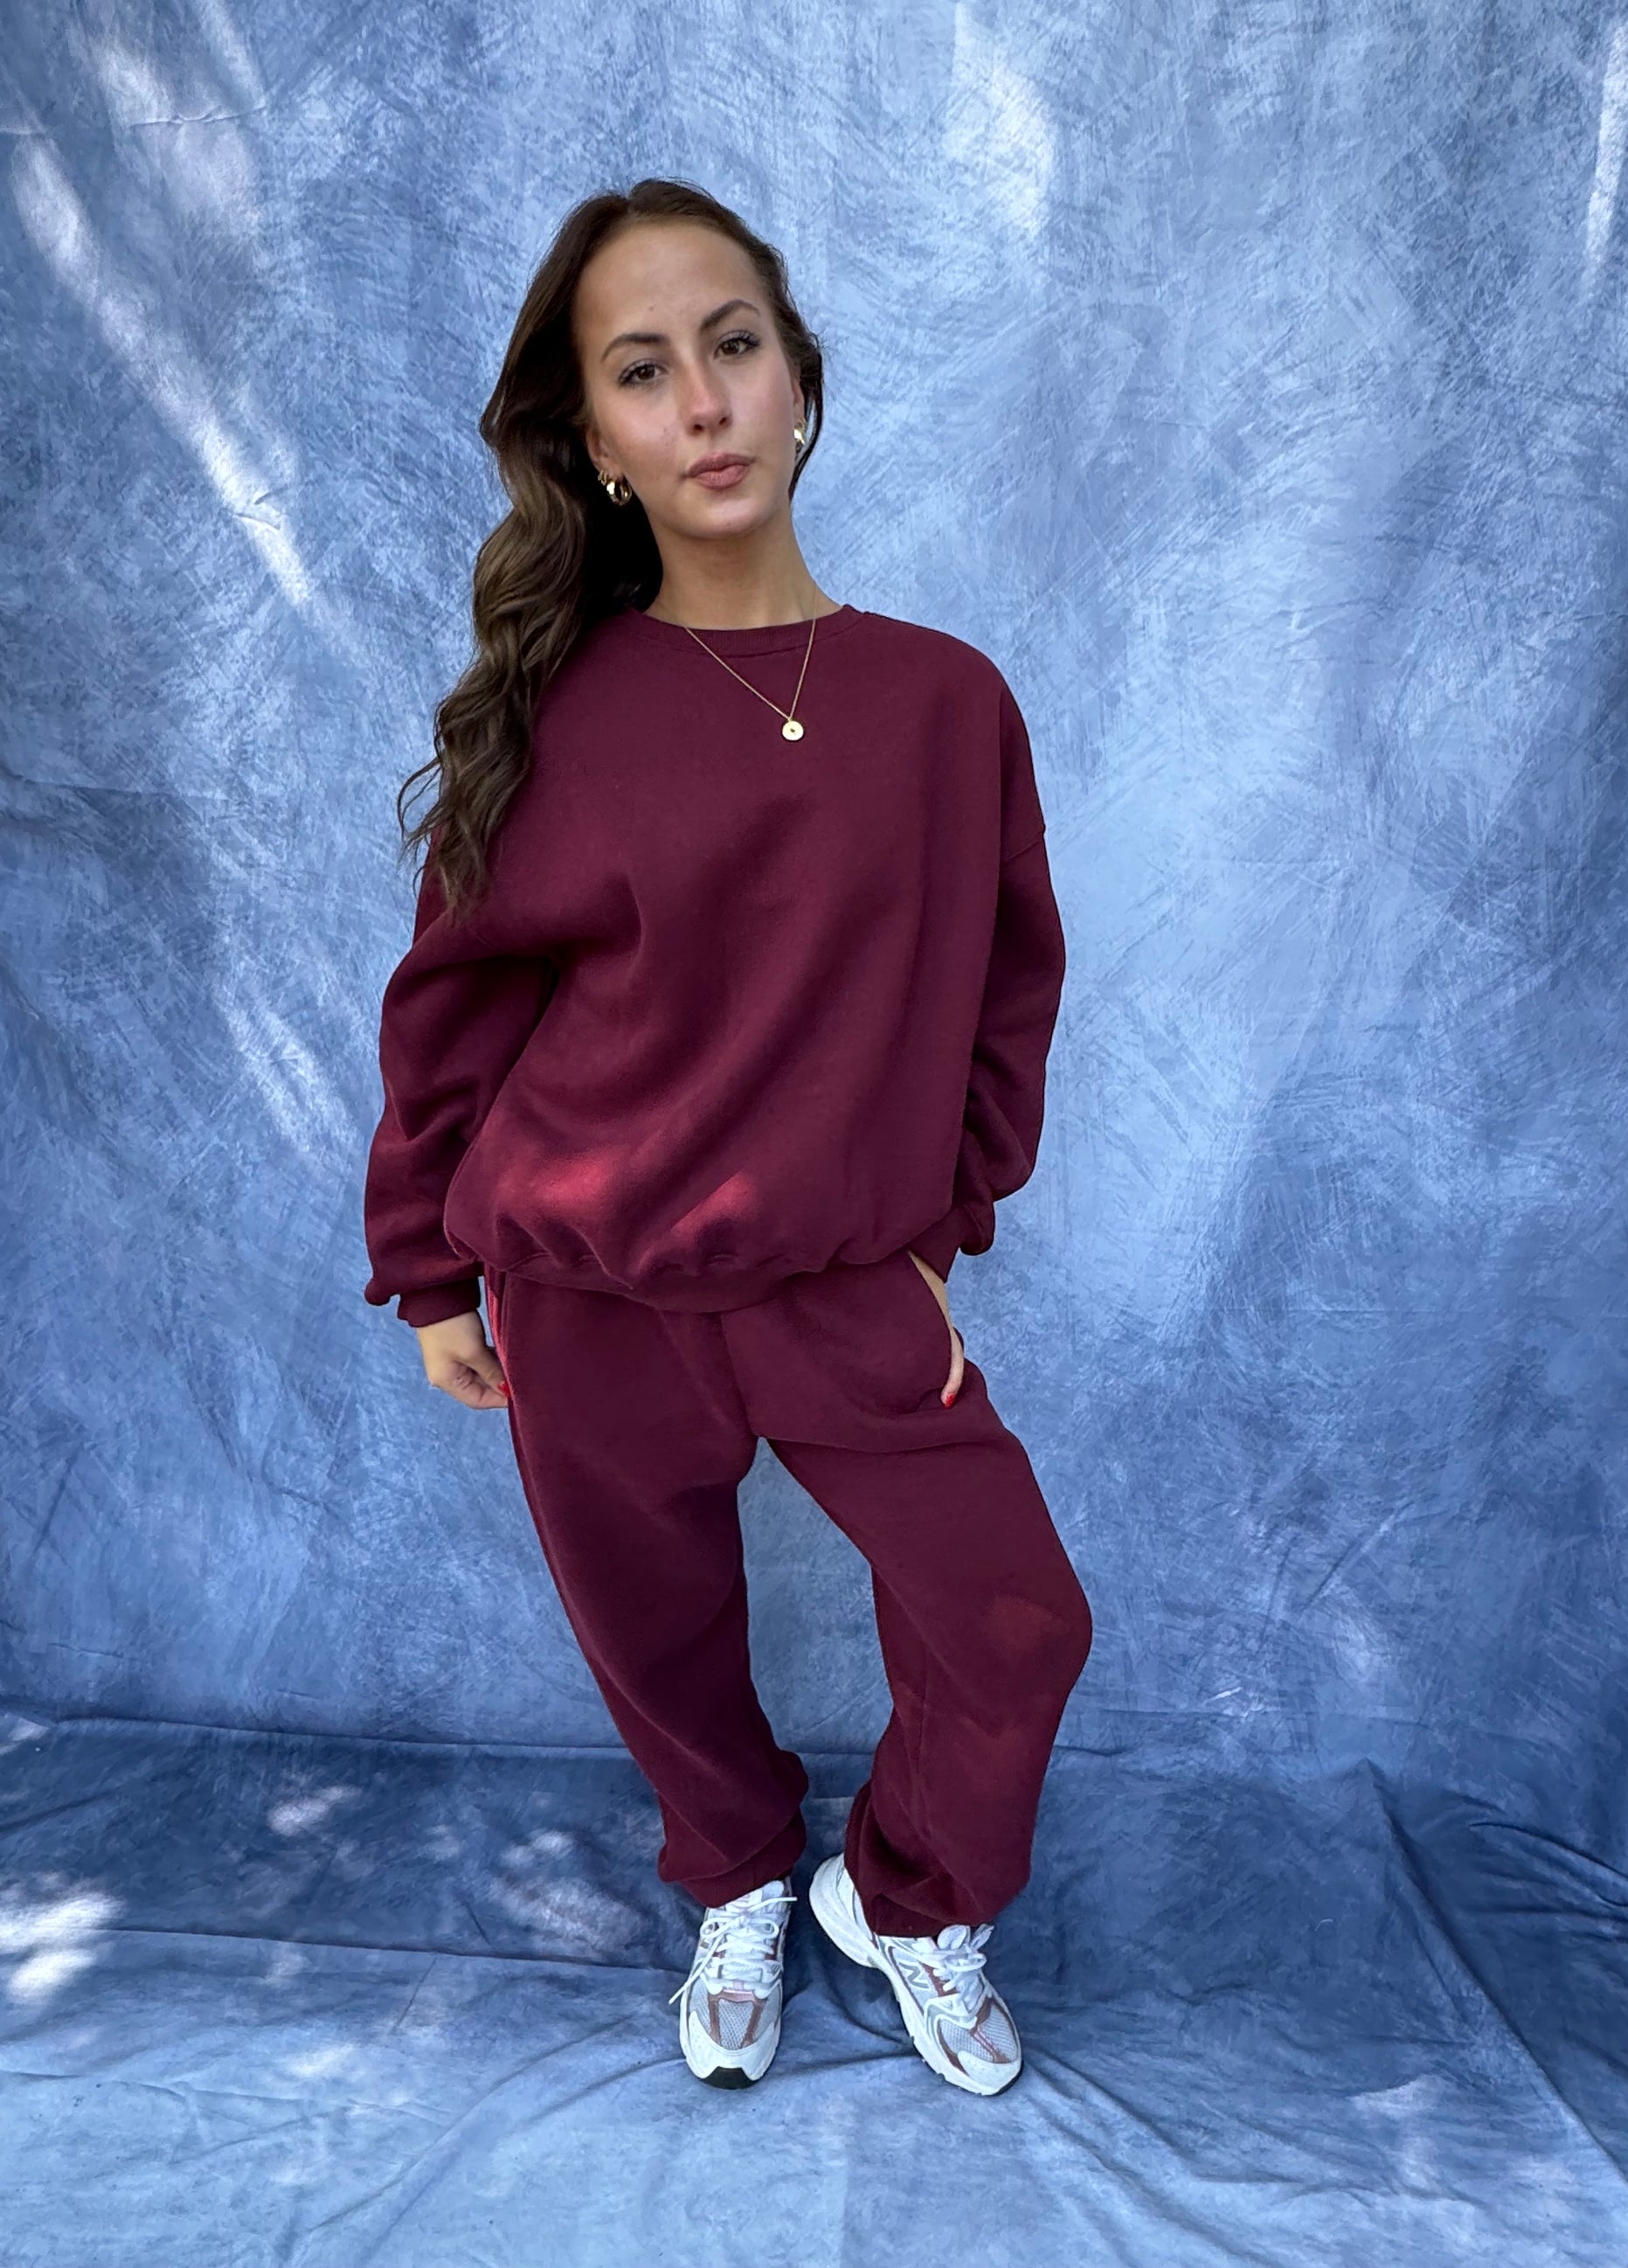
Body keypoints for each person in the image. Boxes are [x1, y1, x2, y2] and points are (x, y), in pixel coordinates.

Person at [361, 177, 1092, 2098]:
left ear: (798, 382)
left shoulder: (945, 702)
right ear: (594, 443)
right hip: (590, 1286)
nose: (701, 400)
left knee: (1015, 1619)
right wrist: (429, 1268)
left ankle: (908, 1894)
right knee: (657, 1633)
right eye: (641, 369)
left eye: (733, 344)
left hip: (843, 1277)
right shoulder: (558, 714)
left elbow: (1007, 984)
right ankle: (739, 1879)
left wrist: (939, 1221)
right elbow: (451, 1008)